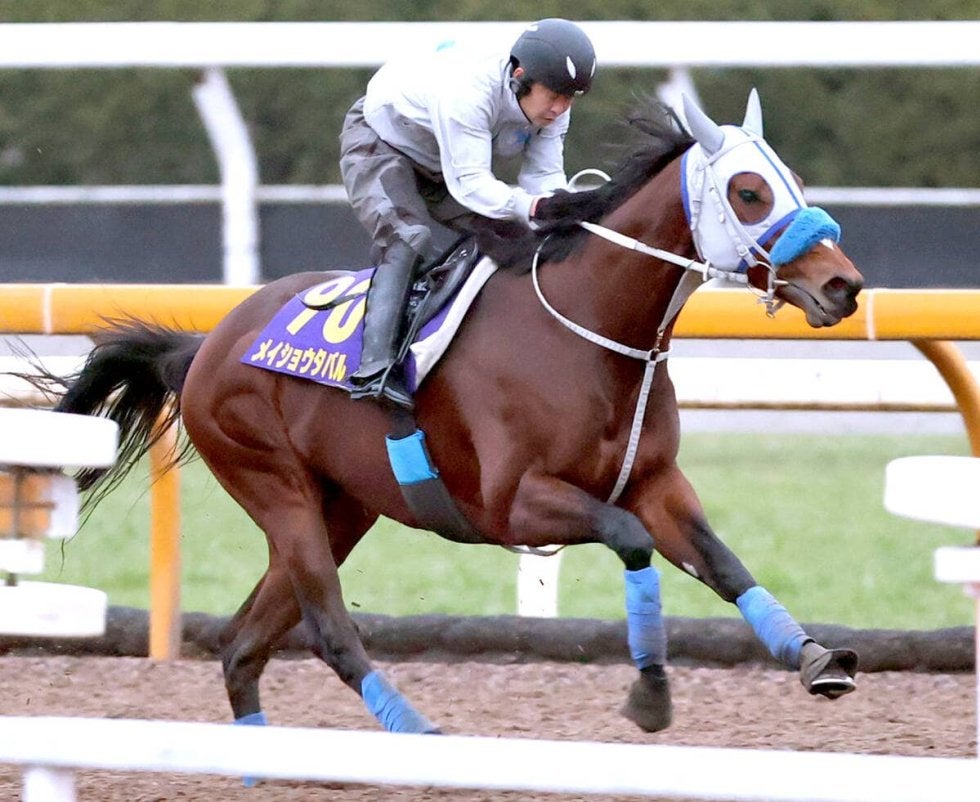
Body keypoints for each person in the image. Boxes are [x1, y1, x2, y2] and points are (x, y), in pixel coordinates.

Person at [339, 18, 597, 409]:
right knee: (409, 239)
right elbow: (473, 186)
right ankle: (374, 370)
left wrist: (560, 211)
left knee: (519, 240)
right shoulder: (470, 90)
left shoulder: (553, 109)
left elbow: (543, 179)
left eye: (571, 97)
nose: (560, 108)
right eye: (554, 94)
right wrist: (533, 206)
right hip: (381, 143)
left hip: (443, 161)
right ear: (520, 75)